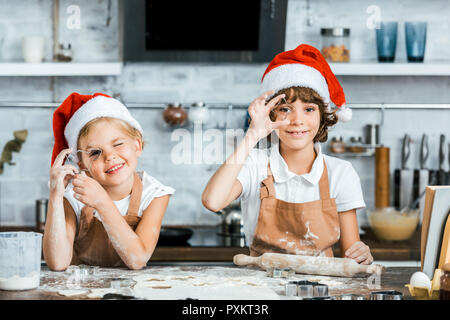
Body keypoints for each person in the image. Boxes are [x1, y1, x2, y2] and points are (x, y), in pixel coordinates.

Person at [202, 44, 373, 264]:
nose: (297, 120)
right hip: (262, 288)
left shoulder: (340, 172)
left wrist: (361, 256)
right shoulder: (255, 164)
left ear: (323, 115)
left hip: (320, 292)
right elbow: (212, 201)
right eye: (285, 109)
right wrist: (252, 135)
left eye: (309, 109)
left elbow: (352, 255)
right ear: (271, 114)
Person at [43, 92, 175, 270]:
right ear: (82, 164)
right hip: (79, 292)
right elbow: (57, 263)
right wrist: (55, 197)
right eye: (95, 152)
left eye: (118, 144)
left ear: (137, 145)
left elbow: (137, 260)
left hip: (129, 293)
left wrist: (102, 202)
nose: (110, 157)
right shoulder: (74, 195)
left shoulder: (154, 194)